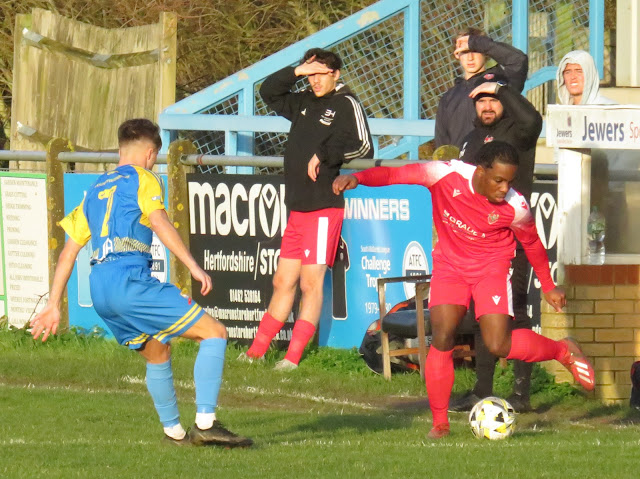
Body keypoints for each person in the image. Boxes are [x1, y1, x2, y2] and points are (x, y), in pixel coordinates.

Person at [332, 141, 595, 439]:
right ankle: (440, 423)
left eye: (509, 181)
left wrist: (548, 285)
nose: (504, 188)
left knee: (497, 344)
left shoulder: (515, 206)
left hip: (491, 268)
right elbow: (395, 175)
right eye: (498, 180)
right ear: (480, 171)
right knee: (442, 335)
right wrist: (359, 178)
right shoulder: (443, 174)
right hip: (450, 267)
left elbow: (532, 242)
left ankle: (563, 350)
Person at [30, 119, 252, 448]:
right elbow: (159, 221)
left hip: (100, 288)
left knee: (157, 350)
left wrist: (53, 305)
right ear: (150, 154)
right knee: (215, 333)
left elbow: (68, 253)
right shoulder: (144, 178)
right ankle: (206, 424)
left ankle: (173, 433)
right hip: (129, 281)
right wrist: (193, 266)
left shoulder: (95, 190)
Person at [243, 48, 373, 370]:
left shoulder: (346, 103)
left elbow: (364, 146)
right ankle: (256, 352)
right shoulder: (304, 101)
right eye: (310, 74)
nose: (315, 80)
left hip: (323, 207)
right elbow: (268, 92)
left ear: (336, 74)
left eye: (321, 74)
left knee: (309, 284)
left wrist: (324, 155)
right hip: (298, 208)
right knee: (282, 281)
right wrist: (297, 71)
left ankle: (292, 358)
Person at [449, 73, 543, 412]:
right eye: (482, 100)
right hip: (477, 242)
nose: (487, 106)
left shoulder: (519, 132)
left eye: (493, 99)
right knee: (482, 314)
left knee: (515, 309)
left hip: (511, 237)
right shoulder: (471, 139)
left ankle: (521, 394)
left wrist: (502, 88)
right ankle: (482, 390)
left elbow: (533, 119)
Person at [434, 27, 528, 149]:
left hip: (494, 159)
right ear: (457, 54)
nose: (470, 58)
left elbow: (518, 60)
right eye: (465, 52)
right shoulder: (449, 97)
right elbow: (442, 146)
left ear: (485, 52)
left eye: (475, 50)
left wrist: (476, 42)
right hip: (459, 161)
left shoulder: (500, 82)